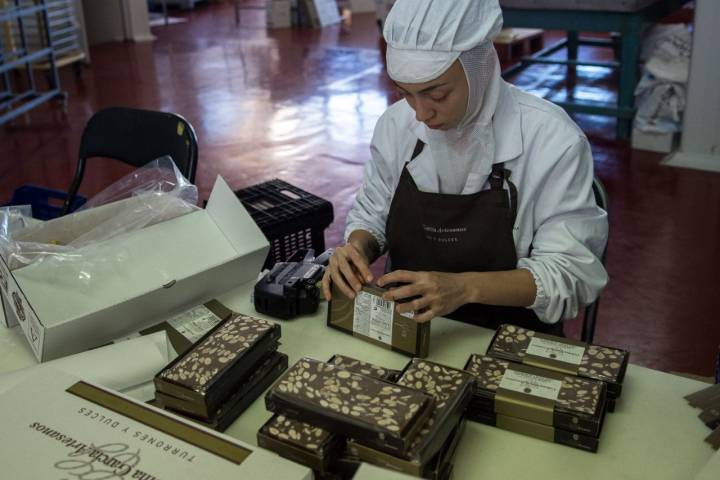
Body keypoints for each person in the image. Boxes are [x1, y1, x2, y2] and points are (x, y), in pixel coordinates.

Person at [321, 0, 608, 335]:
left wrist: (464, 288)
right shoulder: (396, 125)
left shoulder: (551, 139)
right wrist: (358, 247)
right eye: (406, 95)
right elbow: (373, 213)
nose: (421, 114)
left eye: (437, 95)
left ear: (479, 67)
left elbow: (571, 274)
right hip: (407, 329)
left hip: (512, 334)